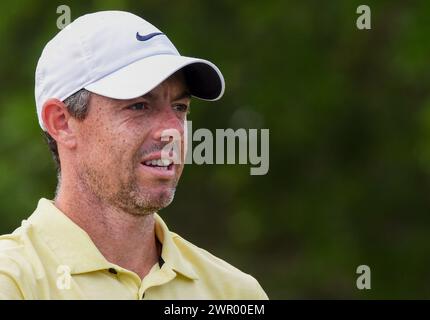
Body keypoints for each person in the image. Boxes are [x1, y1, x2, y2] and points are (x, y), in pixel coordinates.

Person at [0, 10, 268, 299]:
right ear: (61, 122)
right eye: (139, 106)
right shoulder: (12, 281)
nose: (172, 131)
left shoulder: (234, 293)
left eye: (179, 107)